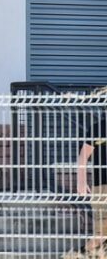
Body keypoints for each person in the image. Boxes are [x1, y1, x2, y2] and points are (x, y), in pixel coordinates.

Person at [78, 96, 107, 254]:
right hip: (101, 186)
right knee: (101, 233)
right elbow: (83, 156)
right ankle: (80, 254)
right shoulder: (97, 129)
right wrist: (81, 182)